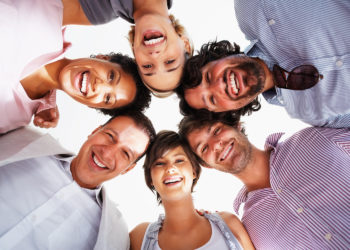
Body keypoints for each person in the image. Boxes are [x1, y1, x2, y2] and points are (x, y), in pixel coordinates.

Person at [178, 114, 350, 249]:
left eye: (216, 131)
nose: (216, 145)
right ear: (206, 165)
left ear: (236, 124)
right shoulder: (251, 230)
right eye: (204, 148)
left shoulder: (315, 139)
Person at [176, 0, 350, 128]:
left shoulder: (252, 6)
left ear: (216, 57)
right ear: (230, 111)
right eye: (212, 99)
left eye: (208, 77)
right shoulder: (316, 115)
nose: (219, 86)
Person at [0, 110, 156, 250]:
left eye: (125, 154)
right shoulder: (23, 140)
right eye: (110, 136)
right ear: (94, 131)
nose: (107, 154)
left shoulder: (112, 235)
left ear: (127, 169)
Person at [0, 0, 151, 133]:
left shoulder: (17, 119)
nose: (97, 86)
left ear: (92, 106)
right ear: (103, 58)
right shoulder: (47, 14)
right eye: (111, 76)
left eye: (107, 98)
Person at [130, 131, 254, 250]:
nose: (170, 169)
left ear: (194, 171)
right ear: (150, 177)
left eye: (179, 160)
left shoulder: (229, 224)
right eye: (160, 163)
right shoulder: (139, 238)